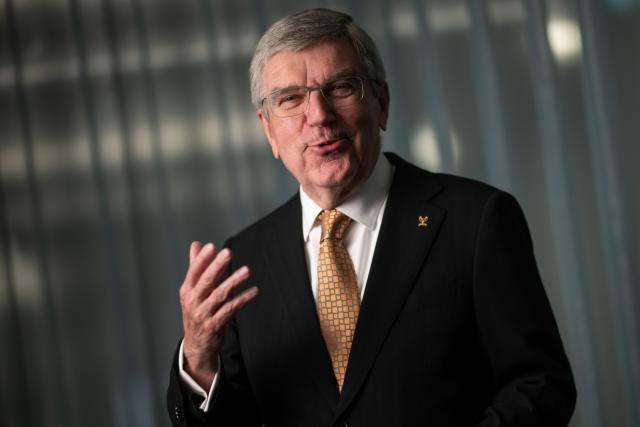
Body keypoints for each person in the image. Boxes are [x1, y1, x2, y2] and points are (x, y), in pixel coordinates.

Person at [167, 8, 576, 427]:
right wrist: (199, 359)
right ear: (269, 130)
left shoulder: (475, 220)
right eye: (291, 99)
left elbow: (540, 385)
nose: (319, 116)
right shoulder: (243, 261)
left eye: (340, 87)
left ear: (380, 103)